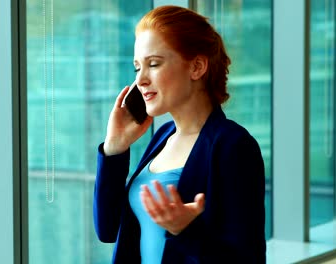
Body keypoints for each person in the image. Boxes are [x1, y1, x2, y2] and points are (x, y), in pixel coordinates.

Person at [93, 5, 265, 264]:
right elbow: (107, 229)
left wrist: (186, 231)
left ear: (196, 67)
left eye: (153, 64)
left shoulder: (233, 145)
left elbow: (247, 259)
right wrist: (114, 149)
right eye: (137, 67)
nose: (141, 79)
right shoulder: (163, 136)